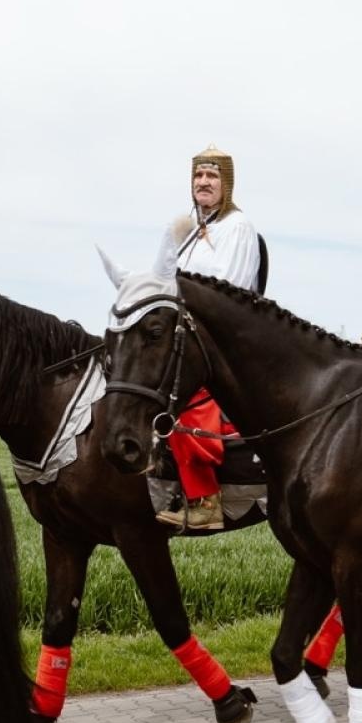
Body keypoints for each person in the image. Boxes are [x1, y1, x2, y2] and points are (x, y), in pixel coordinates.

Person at [155, 144, 261, 531]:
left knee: (185, 394)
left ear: (226, 183)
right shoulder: (186, 228)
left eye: (212, 176)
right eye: (199, 175)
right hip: (183, 331)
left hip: (221, 336)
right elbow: (161, 281)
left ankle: (205, 499)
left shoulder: (238, 227)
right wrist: (170, 240)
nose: (204, 182)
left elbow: (223, 291)